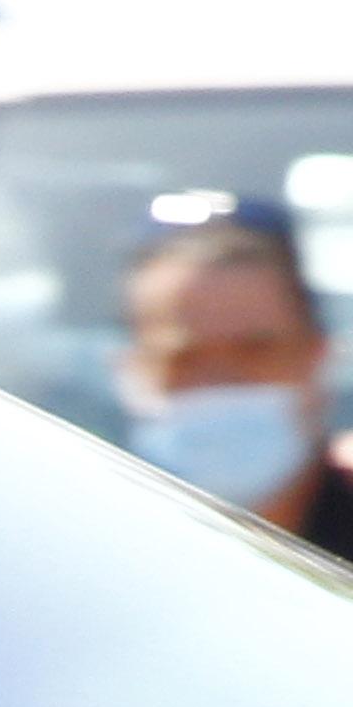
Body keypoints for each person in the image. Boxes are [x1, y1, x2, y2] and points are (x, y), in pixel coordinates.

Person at [120, 217, 353, 556]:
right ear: (133, 373)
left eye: (255, 351)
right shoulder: (90, 553)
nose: (220, 384)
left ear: (317, 359)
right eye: (184, 359)